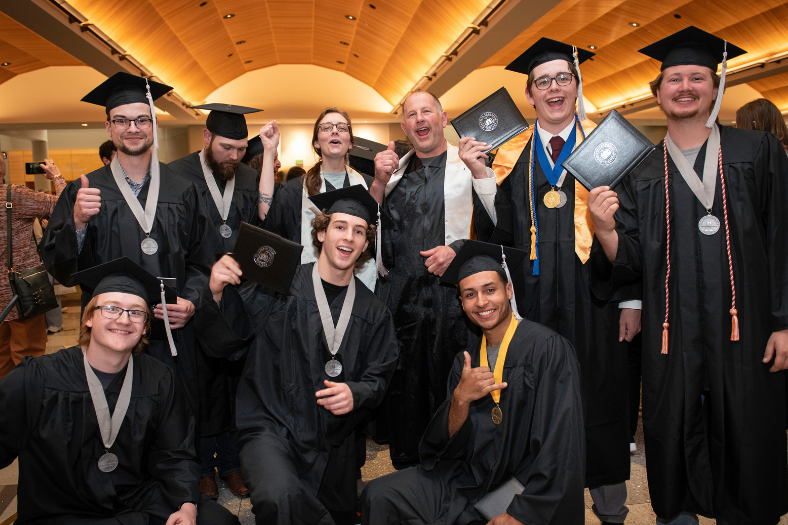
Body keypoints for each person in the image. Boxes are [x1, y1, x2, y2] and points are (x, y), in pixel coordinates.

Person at [588, 26, 788, 524]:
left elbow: (785, 237)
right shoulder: (641, 170)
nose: (684, 87)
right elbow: (628, 256)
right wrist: (604, 227)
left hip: (748, 326)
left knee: (746, 425)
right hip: (672, 330)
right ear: (657, 94)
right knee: (673, 424)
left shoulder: (757, 152)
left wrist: (786, 321)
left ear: (715, 88)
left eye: (696, 77)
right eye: (673, 79)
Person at [463, 38, 635, 522]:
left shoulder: (608, 147)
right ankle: (538, 508)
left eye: (563, 78)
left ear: (577, 88)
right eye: (543, 81)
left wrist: (633, 300)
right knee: (533, 399)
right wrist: (480, 178)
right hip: (533, 302)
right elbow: (501, 235)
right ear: (530, 95)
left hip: (595, 298)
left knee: (598, 393)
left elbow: (635, 230)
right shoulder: (509, 154)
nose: (554, 87)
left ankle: (611, 509)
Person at [194, 185, 399, 524]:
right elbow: (226, 344)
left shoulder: (374, 312)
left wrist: (356, 392)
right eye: (339, 226)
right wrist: (215, 294)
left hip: (334, 437)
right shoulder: (279, 286)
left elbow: (380, 375)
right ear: (321, 232)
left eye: (359, 231)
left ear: (366, 244)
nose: (348, 237)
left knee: (340, 512)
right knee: (280, 497)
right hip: (271, 426)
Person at [40, 72, 223, 430]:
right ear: (108, 127)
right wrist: (77, 223)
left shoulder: (184, 190)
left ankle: (177, 480)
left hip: (171, 326)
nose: (133, 128)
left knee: (173, 410)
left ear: (154, 124)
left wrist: (191, 300)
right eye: (122, 120)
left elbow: (204, 259)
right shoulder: (83, 191)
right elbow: (60, 268)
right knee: (111, 413)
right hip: (111, 327)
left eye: (142, 119)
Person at [0, 257, 239, 525]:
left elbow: (175, 454)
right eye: (112, 308)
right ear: (89, 317)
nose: (124, 320)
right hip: (62, 508)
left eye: (136, 312)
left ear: (146, 326)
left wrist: (186, 505)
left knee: (218, 521)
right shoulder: (38, 378)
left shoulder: (159, 379)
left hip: (134, 501)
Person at [361, 240, 585, 525]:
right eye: (470, 294)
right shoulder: (465, 361)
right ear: (462, 303)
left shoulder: (547, 349)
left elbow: (562, 444)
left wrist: (523, 513)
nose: (481, 302)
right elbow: (448, 446)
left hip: (525, 487)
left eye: (490, 290)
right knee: (380, 495)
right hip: (470, 478)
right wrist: (460, 399)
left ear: (508, 290)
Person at [168, 105, 279, 499]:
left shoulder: (249, 175)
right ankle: (201, 468)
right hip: (196, 295)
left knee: (236, 387)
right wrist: (195, 293)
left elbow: (265, 224)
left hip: (241, 299)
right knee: (197, 386)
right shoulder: (175, 176)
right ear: (205, 137)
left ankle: (232, 464)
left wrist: (267, 157)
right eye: (226, 147)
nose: (233, 156)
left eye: (238, 148)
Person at [368, 91, 481, 469]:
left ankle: (458, 466)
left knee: (453, 384)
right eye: (411, 114)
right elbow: (370, 231)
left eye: (426, 111)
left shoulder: (469, 166)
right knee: (407, 390)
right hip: (403, 302)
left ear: (443, 118)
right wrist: (378, 183)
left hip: (455, 304)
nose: (420, 119)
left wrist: (458, 250)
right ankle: (410, 468)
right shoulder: (394, 173)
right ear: (403, 127)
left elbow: (498, 230)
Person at [261, 107, 378, 290]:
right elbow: (265, 214)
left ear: (351, 143)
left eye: (342, 127)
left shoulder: (371, 186)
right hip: (308, 287)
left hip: (359, 285)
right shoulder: (295, 190)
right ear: (316, 142)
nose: (334, 130)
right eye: (326, 128)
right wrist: (269, 151)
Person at [0, 158, 65, 381]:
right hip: (21, 292)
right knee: (28, 356)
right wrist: (56, 177)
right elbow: (64, 206)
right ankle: (26, 409)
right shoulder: (13, 196)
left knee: (2, 359)